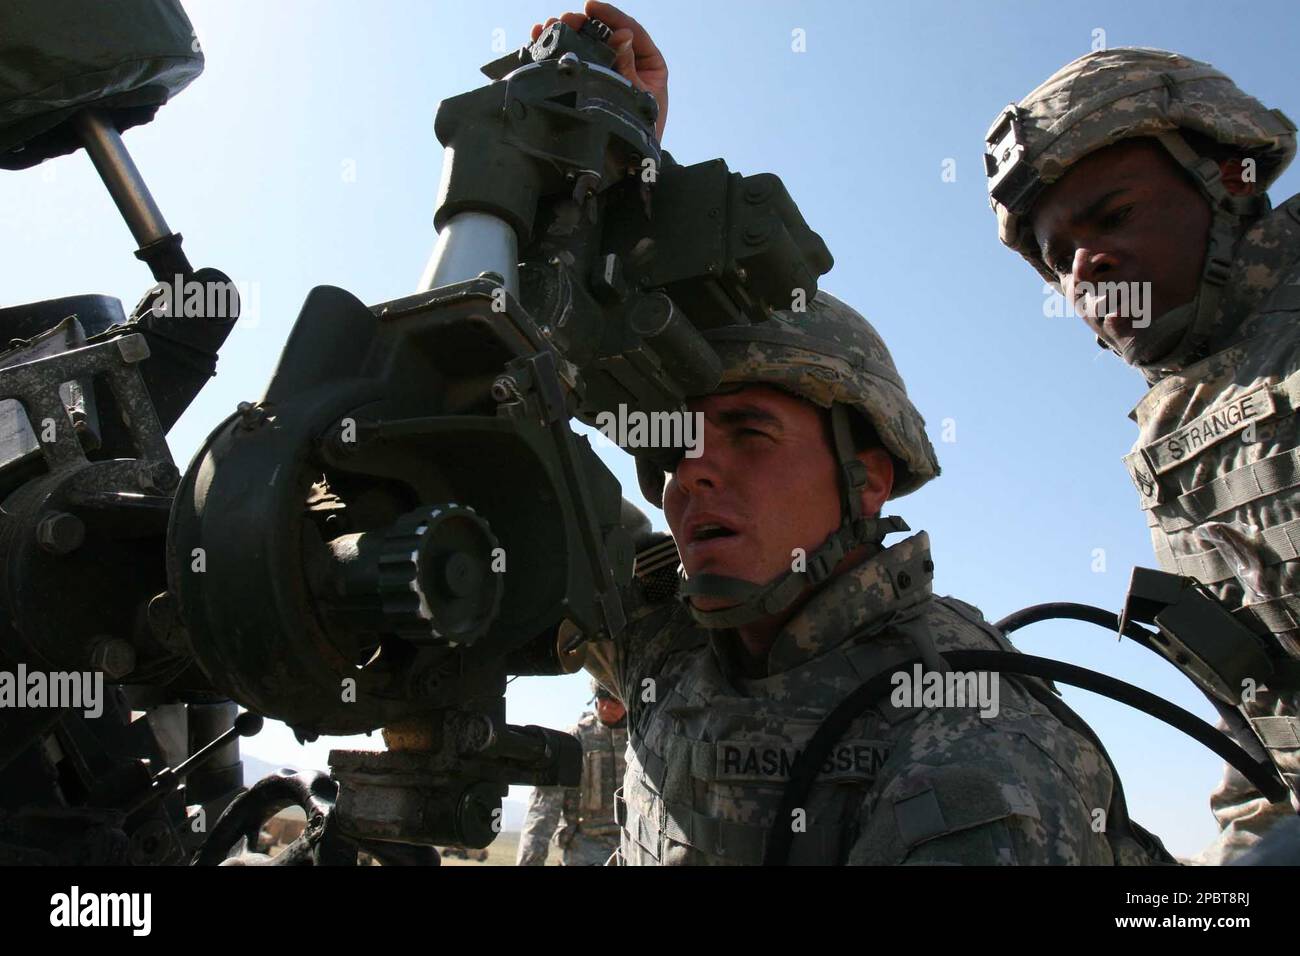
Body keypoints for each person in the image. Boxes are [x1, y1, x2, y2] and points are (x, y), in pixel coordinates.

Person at [983, 47, 1300, 864]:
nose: (1083, 267)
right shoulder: (1171, 428)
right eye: (1059, 260)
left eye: (1114, 217)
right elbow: (1263, 730)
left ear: (1229, 177)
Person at [515, 678, 628, 866]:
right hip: (585, 848)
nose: (607, 707)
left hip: (634, 846)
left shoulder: (640, 741)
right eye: (601, 699)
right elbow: (542, 811)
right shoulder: (573, 742)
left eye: (614, 700)